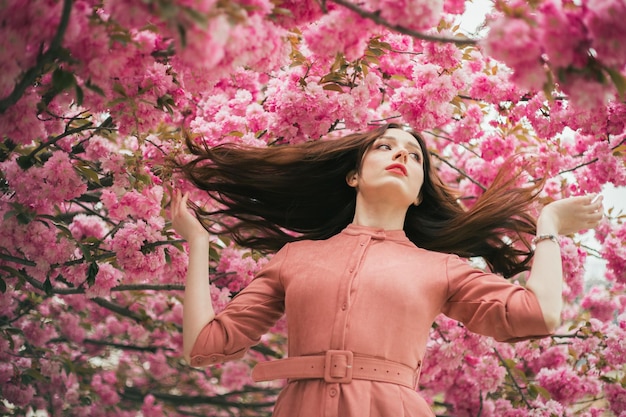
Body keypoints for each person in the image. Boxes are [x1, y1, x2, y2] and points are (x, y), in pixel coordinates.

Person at [169, 123, 603, 417]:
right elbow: (203, 347)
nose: (400, 155)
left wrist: (549, 226)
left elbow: (540, 313)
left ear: (418, 195)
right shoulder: (294, 257)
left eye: (414, 156)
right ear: (353, 177)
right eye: (385, 147)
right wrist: (200, 243)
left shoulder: (441, 268)